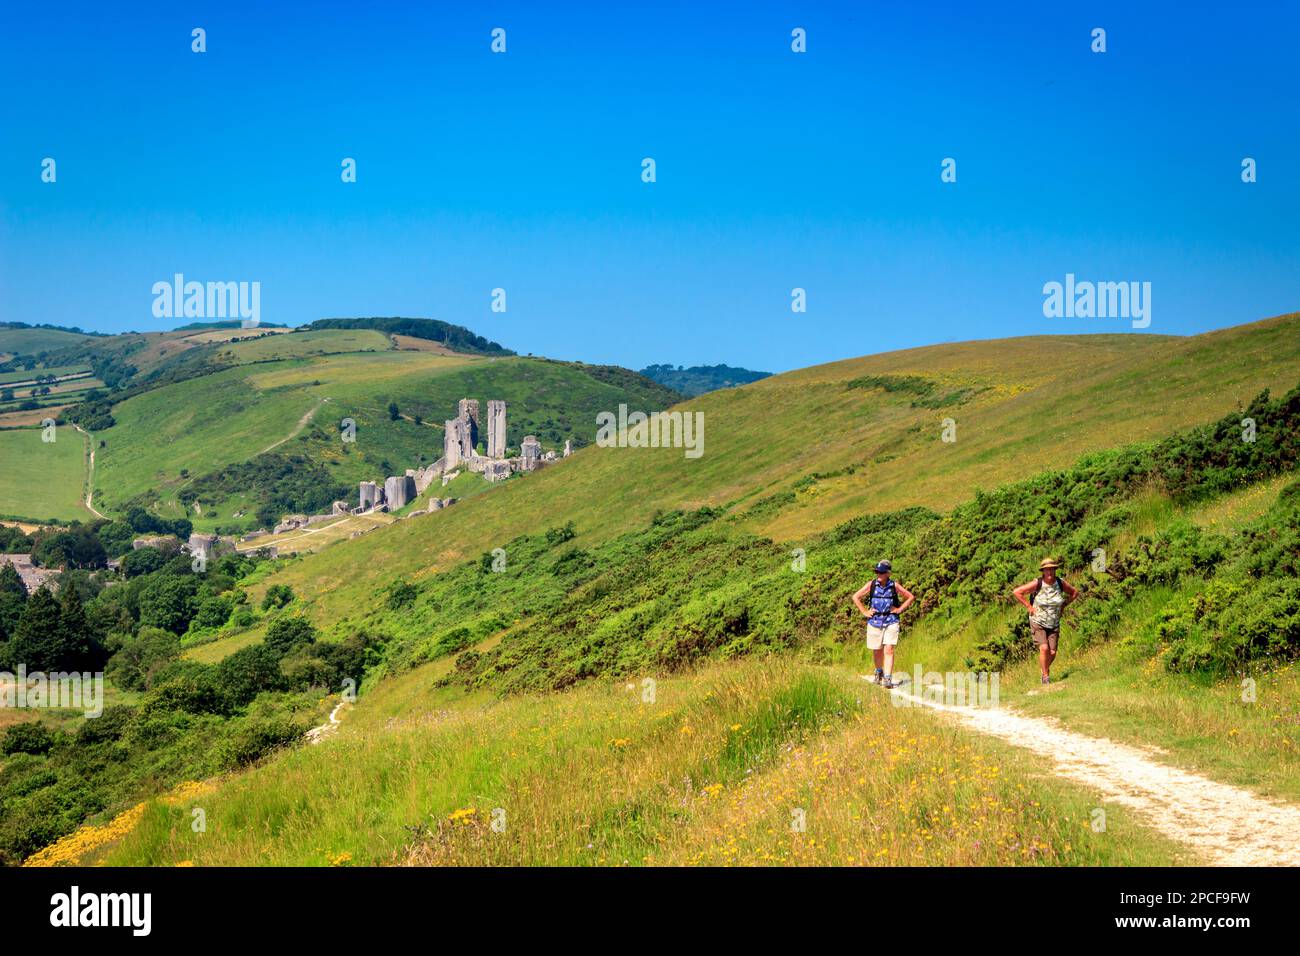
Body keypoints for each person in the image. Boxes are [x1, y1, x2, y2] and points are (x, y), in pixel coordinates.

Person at [1013, 558, 1078, 684]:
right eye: (1047, 569)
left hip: (1054, 622)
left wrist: (1064, 604)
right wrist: (1029, 606)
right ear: (1043, 571)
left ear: (1055, 570)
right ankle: (1045, 677)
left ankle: (1044, 670)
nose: (1050, 571)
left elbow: (1074, 592)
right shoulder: (1038, 583)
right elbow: (1017, 592)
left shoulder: (1060, 583)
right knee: (1044, 648)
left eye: (1052, 569)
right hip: (1038, 621)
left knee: (1052, 652)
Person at [852, 560, 915, 688]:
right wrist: (864, 611)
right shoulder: (871, 585)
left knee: (889, 649)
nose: (878, 574)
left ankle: (887, 678)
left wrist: (899, 610)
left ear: (888, 573)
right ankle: (879, 671)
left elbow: (910, 597)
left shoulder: (894, 586)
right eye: (877, 572)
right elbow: (855, 597)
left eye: (881, 572)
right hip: (874, 621)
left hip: (891, 620)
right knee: (877, 650)